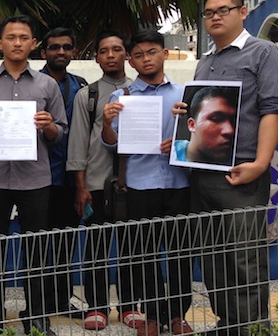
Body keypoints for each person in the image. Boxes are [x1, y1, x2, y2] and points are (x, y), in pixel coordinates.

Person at [172, 0, 278, 334]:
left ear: (243, 12)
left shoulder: (263, 53)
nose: (215, 17)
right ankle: (227, 325)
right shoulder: (205, 62)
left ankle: (252, 329)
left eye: (224, 10)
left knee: (244, 260)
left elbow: (271, 110)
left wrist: (260, 164)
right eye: (208, 12)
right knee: (213, 258)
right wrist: (181, 114)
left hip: (242, 176)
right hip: (203, 174)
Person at [0, 15, 67, 336]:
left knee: (36, 252)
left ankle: (36, 318)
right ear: (0, 44)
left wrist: (47, 125)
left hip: (35, 179)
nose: (17, 43)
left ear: (33, 43)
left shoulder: (47, 85)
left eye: (24, 37)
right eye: (11, 37)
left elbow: (60, 133)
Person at [100, 29, 193, 336]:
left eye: (151, 52)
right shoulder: (122, 98)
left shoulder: (183, 95)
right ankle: (152, 315)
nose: (145, 59)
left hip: (178, 184)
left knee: (180, 253)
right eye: (138, 55)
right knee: (145, 254)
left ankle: (178, 314)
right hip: (139, 185)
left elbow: (195, 143)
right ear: (131, 60)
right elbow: (111, 145)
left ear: (164, 54)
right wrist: (107, 122)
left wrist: (179, 143)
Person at [65, 29, 132, 331]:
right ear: (96, 58)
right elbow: (77, 143)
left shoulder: (140, 90)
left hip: (134, 183)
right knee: (96, 250)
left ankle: (131, 306)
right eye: (104, 51)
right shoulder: (87, 95)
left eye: (116, 50)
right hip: (96, 183)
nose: (110, 56)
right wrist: (80, 186)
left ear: (126, 54)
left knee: (132, 247)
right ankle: (98, 308)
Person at [37, 27, 87, 318]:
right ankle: (39, 304)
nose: (61, 52)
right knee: (39, 246)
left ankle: (61, 300)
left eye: (66, 47)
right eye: (54, 47)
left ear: (73, 52)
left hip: (70, 178)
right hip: (39, 177)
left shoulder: (81, 86)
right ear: (43, 52)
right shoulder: (32, 83)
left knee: (65, 243)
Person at [173, 86, 238, 165]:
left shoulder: (241, 163)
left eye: (233, 121)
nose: (230, 130)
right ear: (192, 125)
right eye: (216, 119)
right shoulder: (171, 153)